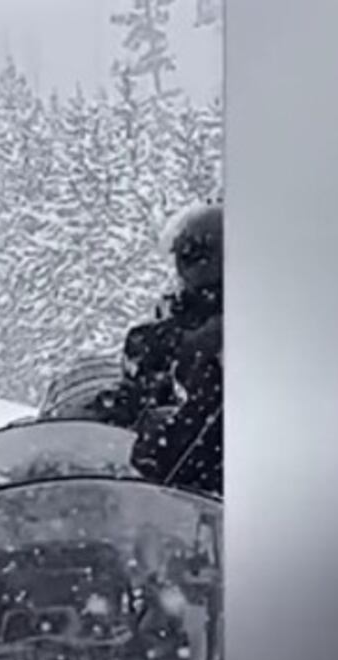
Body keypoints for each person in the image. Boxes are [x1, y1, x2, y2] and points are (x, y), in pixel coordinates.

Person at [95, 201, 223, 497]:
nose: (180, 273)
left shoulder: (222, 333)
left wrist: (148, 466)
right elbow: (149, 388)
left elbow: (200, 425)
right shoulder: (186, 314)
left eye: (188, 258)